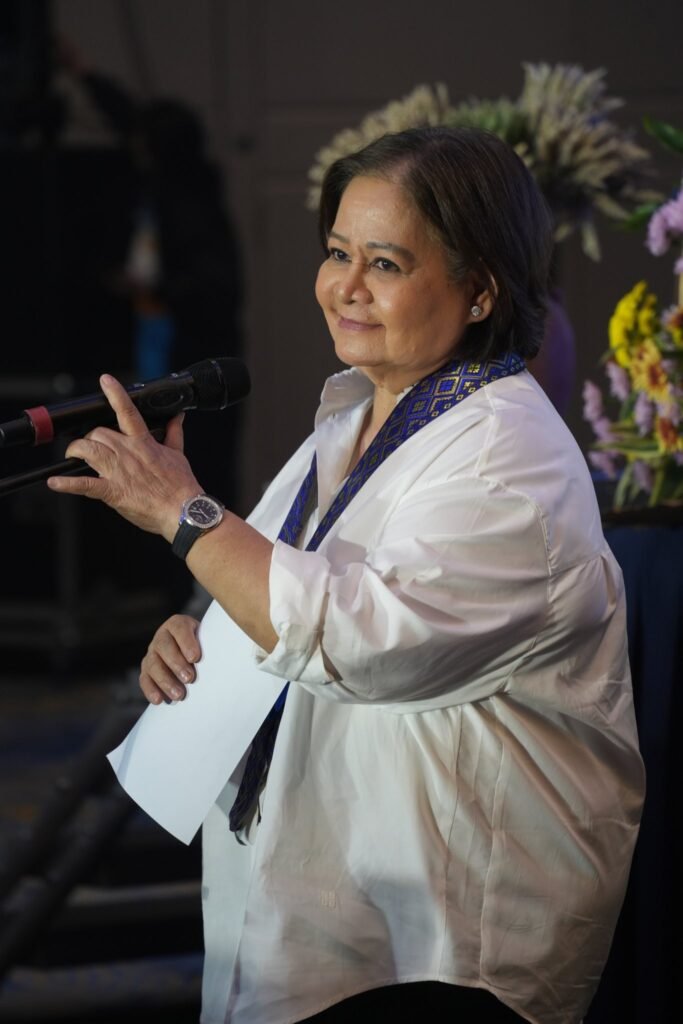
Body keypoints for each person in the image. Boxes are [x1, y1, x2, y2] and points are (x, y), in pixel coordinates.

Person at [47, 126, 645, 1024]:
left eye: (385, 263)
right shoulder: (356, 413)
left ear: (481, 289)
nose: (344, 286)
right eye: (336, 253)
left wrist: (184, 515)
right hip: (316, 899)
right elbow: (279, 589)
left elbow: (362, 641)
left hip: (438, 946)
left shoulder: (506, 461)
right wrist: (205, 631)